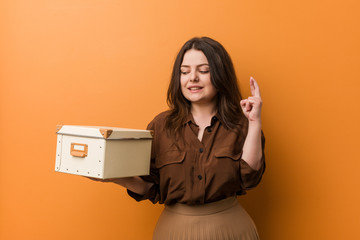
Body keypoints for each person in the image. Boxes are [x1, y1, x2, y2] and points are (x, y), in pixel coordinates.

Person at [96, 36, 265, 239]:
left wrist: (254, 123)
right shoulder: (160, 126)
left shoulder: (241, 124)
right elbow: (151, 187)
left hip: (231, 231)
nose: (192, 78)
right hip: (174, 232)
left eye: (203, 70)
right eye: (184, 72)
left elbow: (250, 178)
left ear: (221, 75)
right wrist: (114, 177)